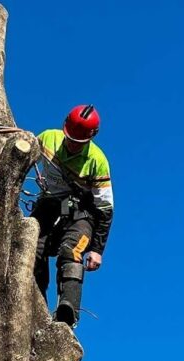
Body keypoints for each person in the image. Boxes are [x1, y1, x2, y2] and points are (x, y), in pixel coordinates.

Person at [30, 104, 114, 327]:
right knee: (32, 248)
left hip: (81, 212)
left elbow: (105, 209)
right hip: (49, 205)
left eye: (78, 142)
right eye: (70, 139)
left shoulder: (97, 161)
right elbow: (23, 157)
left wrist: (97, 249)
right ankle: (36, 303)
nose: (72, 145)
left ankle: (68, 308)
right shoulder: (48, 138)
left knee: (72, 250)